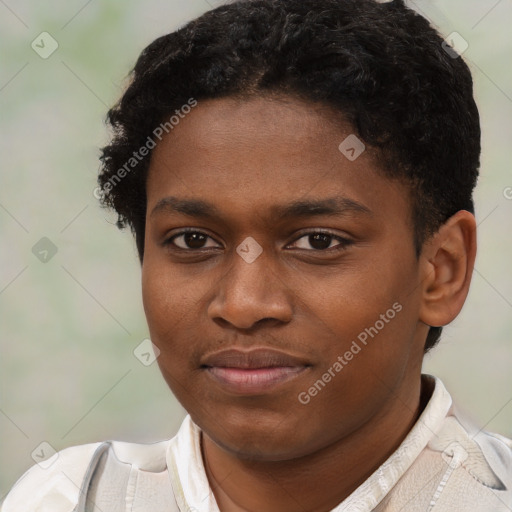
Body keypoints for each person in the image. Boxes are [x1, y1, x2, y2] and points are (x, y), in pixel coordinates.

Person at [3, 0, 511, 510]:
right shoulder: (68, 498)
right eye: (193, 241)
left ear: (441, 271)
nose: (244, 305)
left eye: (318, 241)